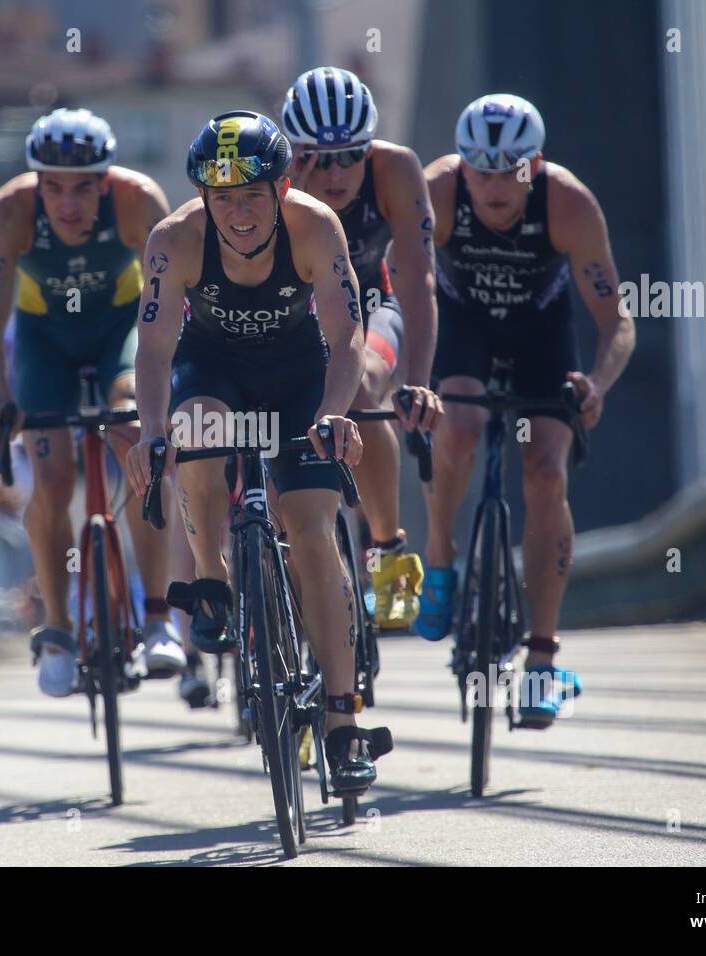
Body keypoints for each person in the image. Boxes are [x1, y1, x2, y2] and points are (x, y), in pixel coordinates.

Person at [125, 110, 404, 793]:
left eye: (253, 195)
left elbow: (345, 336)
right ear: (203, 199)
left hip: (297, 375)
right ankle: (215, 576)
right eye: (224, 199)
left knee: (311, 532)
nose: (240, 213)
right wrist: (151, 431)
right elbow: (157, 349)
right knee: (193, 434)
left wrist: (335, 413)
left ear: (281, 190)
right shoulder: (174, 240)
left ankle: (343, 721)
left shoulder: (314, 226)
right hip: (212, 369)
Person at [421, 93, 636, 726]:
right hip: (462, 327)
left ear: (534, 166)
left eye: (509, 171)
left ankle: (542, 660)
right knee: (457, 424)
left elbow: (616, 319)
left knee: (545, 471)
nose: (492, 186)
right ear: (462, 166)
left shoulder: (567, 203)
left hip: (540, 333)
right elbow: (400, 276)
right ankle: (440, 556)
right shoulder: (435, 191)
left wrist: (596, 382)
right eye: (478, 170)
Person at [0, 108, 197, 701]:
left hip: (119, 331)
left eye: (82, 188)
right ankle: (57, 631)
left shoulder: (139, 200)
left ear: (107, 181)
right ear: (36, 184)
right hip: (45, 341)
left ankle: (156, 617)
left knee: (137, 439)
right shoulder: (8, 212)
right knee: (48, 477)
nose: (67, 204)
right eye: (53, 188)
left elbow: (171, 301)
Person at [281, 66, 443, 631]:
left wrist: (418, 380)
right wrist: (289, 190)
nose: (335, 171)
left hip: (373, 300)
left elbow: (420, 282)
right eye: (317, 158)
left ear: (369, 147)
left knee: (367, 384)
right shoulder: (274, 178)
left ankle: (387, 547)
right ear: (292, 152)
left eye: (349, 155)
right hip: (292, 310)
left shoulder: (396, 169)